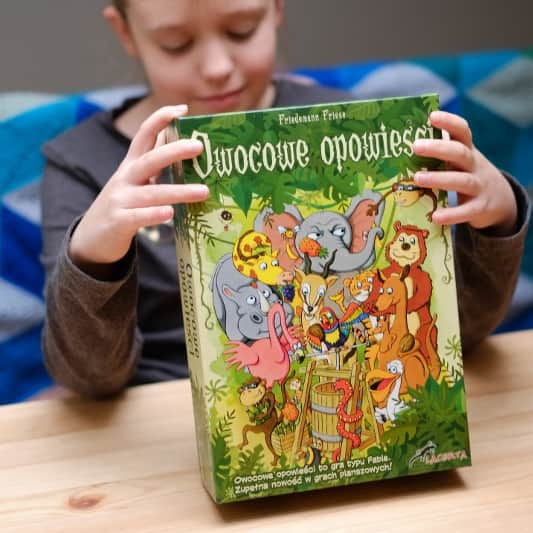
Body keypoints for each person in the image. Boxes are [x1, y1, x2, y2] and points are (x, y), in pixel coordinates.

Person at [40, 0, 530, 398]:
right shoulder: (83, 164)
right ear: (125, 32)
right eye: (176, 43)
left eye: (242, 30)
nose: (217, 68)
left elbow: (459, 333)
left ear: (276, 8)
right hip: (161, 420)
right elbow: (89, 378)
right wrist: (93, 258)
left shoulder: (354, 131)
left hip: (340, 378)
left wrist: (499, 217)